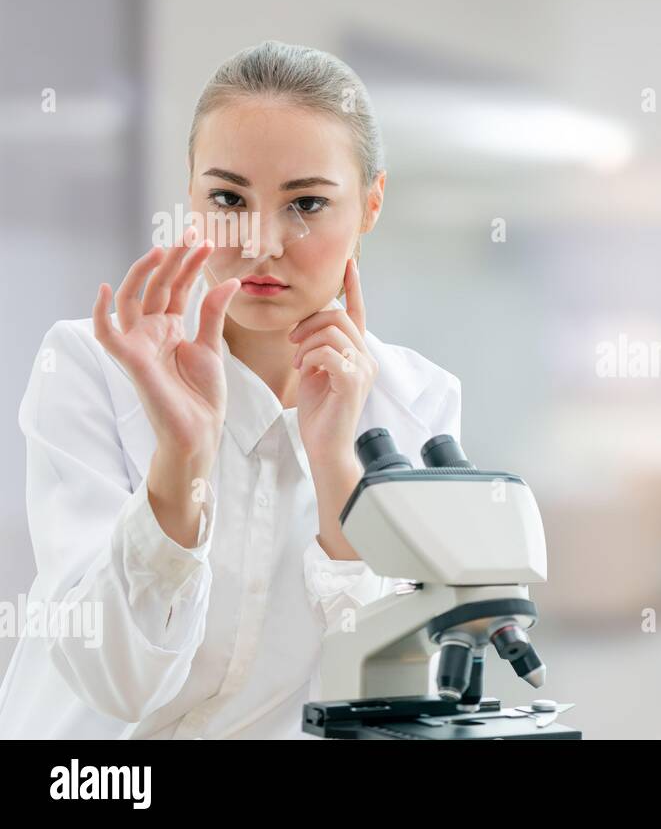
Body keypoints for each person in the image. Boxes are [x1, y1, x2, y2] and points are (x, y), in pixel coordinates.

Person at [0, 41, 461, 738]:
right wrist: (180, 464)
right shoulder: (92, 368)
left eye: (306, 203)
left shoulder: (417, 403)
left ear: (371, 204)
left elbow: (389, 694)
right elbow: (114, 680)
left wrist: (338, 466)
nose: (263, 243)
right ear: (190, 193)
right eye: (228, 198)